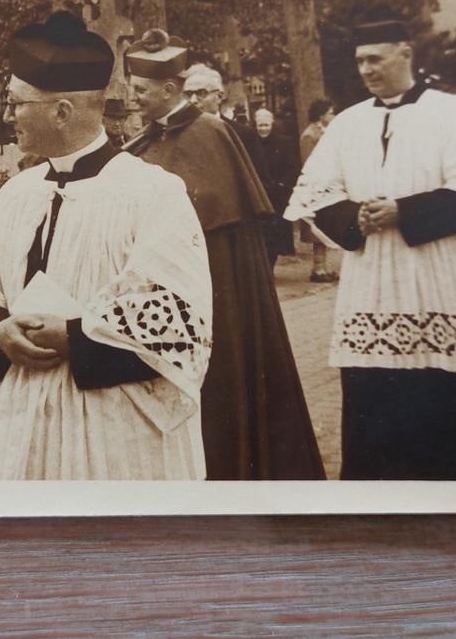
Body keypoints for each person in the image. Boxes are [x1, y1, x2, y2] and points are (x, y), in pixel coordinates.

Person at [0, 12, 213, 480]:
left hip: (114, 428)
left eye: (15, 103)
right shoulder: (17, 193)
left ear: (62, 112)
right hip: (19, 418)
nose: (7, 116)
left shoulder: (152, 193)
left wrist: (74, 336)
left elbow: (177, 318)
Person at [285, 19, 456, 481]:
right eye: (360, 61)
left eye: (375, 59)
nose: (366, 69)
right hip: (374, 292)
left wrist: (404, 211)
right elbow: (316, 195)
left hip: (446, 287)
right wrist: (354, 217)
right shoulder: (347, 123)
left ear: (405, 53)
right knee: (380, 423)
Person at [125, 29, 325, 481]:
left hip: (216, 283)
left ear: (169, 89)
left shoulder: (210, 133)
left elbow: (214, 216)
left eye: (141, 90)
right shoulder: (147, 138)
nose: (133, 98)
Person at [183, 63, 272, 188]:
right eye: (188, 94)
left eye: (202, 93)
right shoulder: (177, 134)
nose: (193, 100)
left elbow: (261, 186)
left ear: (219, 97)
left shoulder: (243, 135)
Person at [299, 98, 338, 283]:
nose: (333, 116)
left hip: (327, 184)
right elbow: (308, 162)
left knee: (325, 226)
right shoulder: (309, 135)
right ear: (321, 115)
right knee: (317, 227)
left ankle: (323, 267)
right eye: (331, 113)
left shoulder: (325, 132)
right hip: (316, 186)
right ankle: (317, 268)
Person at [254, 108, 298, 265]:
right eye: (260, 125)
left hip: (278, 195)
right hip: (259, 193)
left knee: (276, 234)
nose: (263, 129)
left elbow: (292, 167)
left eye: (266, 125)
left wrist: (282, 184)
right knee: (261, 235)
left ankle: (272, 264)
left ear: (272, 124)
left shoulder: (283, 142)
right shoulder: (252, 143)